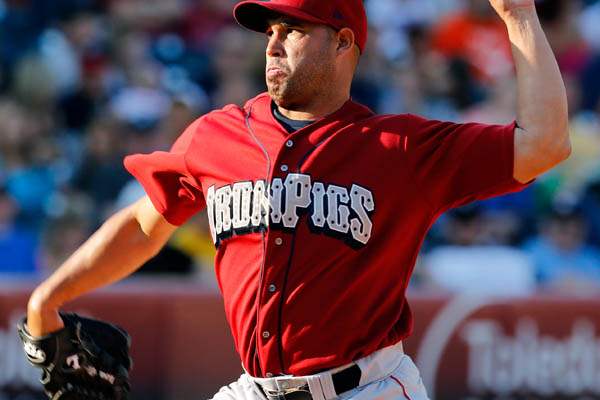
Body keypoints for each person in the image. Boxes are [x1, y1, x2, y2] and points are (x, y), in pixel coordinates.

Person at [24, 0, 571, 399]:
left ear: (342, 42)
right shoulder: (218, 135)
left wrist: (519, 14)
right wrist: (46, 298)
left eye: (293, 28)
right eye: (271, 29)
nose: (273, 42)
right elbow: (146, 225)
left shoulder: (399, 146)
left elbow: (545, 144)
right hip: (253, 390)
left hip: (367, 389)